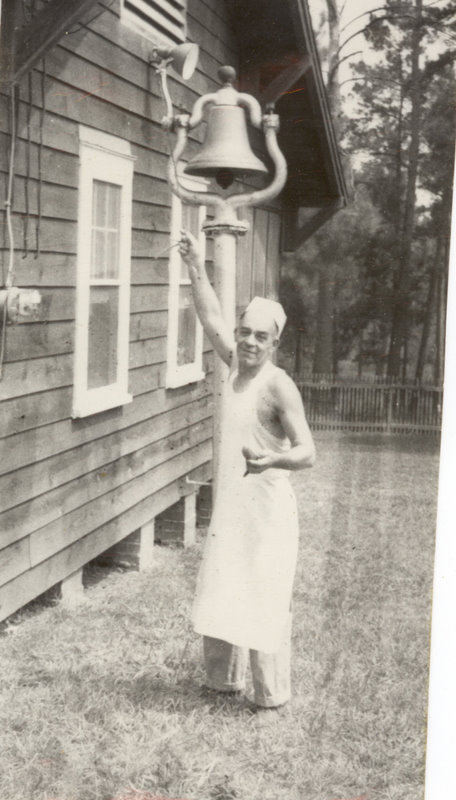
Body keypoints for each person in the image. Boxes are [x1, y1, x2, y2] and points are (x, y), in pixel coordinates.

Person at [178, 230, 316, 715]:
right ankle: (221, 681)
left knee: (263, 591)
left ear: (275, 342)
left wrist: (271, 460)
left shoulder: (281, 387)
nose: (250, 341)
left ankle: (271, 695)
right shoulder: (234, 363)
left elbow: (308, 453)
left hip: (269, 509)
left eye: (261, 336)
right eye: (245, 332)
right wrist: (197, 266)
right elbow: (210, 315)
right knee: (222, 579)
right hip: (233, 505)